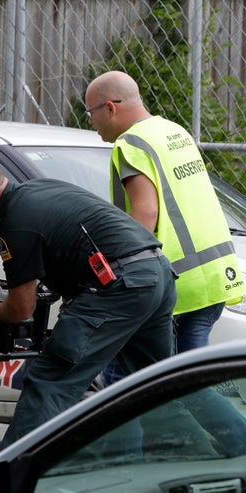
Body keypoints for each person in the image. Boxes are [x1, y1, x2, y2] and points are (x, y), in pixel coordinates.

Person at [0, 156, 177, 449]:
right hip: (156, 272)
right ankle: (221, 454)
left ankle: (12, 471)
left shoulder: (16, 224)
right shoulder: (40, 188)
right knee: (164, 384)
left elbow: (21, 309)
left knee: (50, 379)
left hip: (120, 286)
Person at [85, 70, 245, 383]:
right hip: (213, 277)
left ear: (110, 108)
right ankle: (210, 432)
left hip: (174, 284)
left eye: (91, 113)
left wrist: (112, 267)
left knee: (129, 382)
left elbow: (145, 213)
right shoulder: (173, 132)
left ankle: (230, 433)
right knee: (187, 385)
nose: (90, 121)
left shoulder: (130, 145)